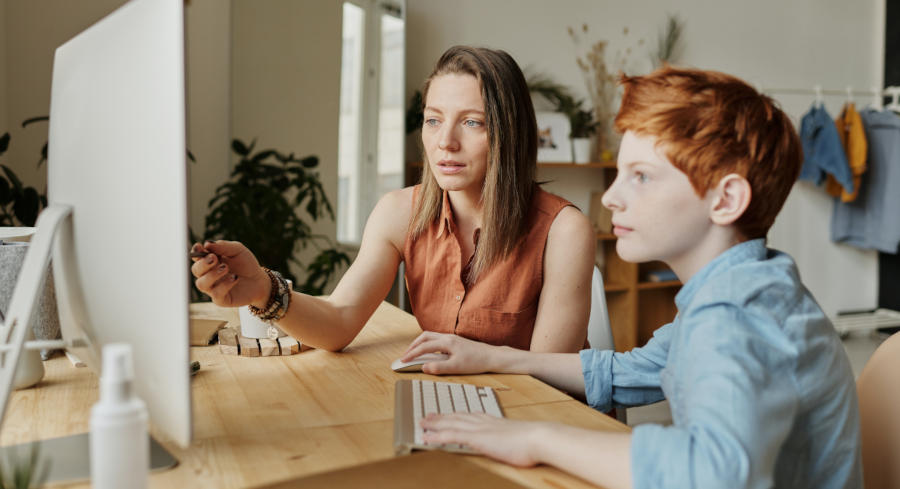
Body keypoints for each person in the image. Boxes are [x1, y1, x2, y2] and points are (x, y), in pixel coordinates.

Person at [401, 67, 863, 489]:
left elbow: (712, 472)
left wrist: (536, 438)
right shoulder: (746, 286)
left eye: (640, 177)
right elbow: (627, 370)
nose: (612, 199)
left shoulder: (735, 314)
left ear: (725, 201)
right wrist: (492, 356)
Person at [190, 45, 595, 353]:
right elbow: (339, 320)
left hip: (537, 422)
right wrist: (263, 288)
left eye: (472, 122)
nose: (445, 142)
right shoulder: (399, 212)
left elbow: (549, 379)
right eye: (433, 120)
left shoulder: (564, 231)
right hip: (454, 407)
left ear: (511, 134)